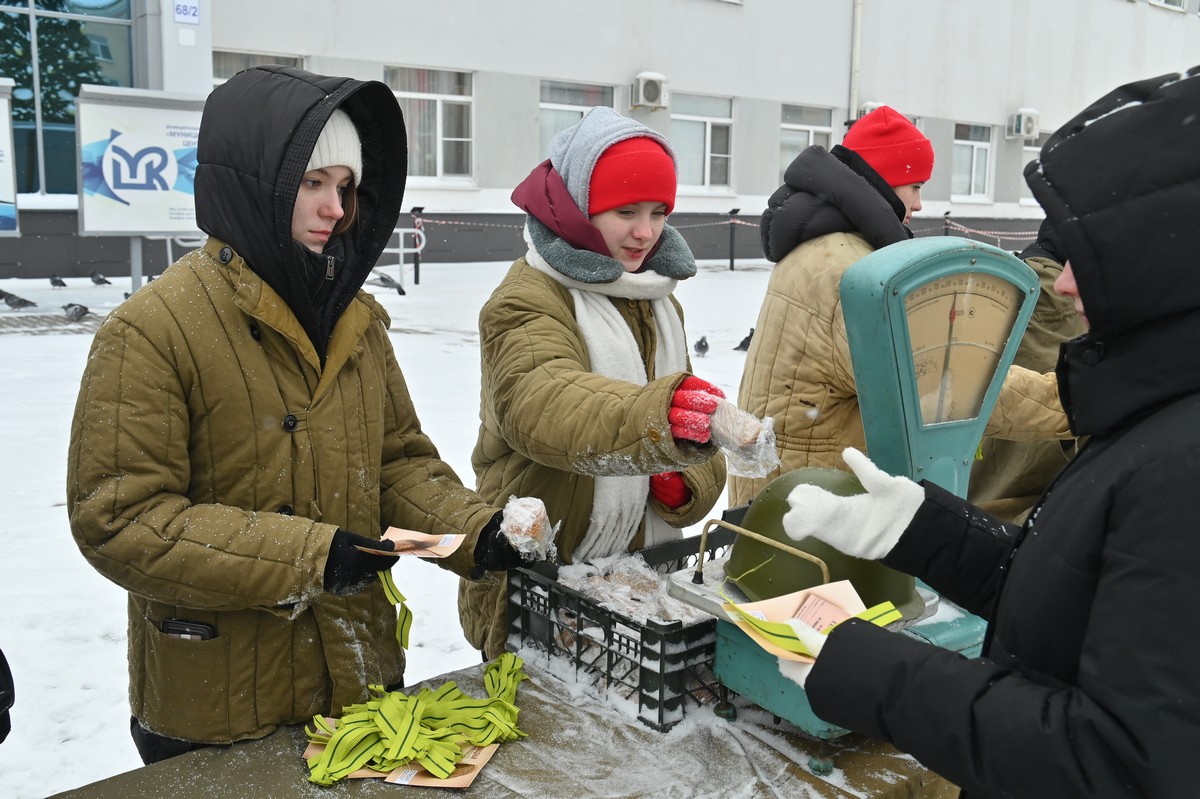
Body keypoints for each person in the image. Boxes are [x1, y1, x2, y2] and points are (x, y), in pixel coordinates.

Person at [66, 65, 545, 764]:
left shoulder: (357, 321)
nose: (336, 209)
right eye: (312, 183)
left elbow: (396, 462)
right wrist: (308, 555)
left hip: (356, 682)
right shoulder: (152, 330)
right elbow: (121, 519)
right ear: (254, 184)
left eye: (346, 187)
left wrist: (477, 532)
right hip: (220, 710)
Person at [780, 66, 1200, 798]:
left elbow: (1115, 763)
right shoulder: (1157, 414)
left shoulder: (1183, 461)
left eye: (1083, 255)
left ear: (1160, 259)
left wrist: (872, 672)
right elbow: (1075, 599)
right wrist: (922, 529)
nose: (1062, 283)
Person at [458, 107, 728, 659]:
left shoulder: (656, 300)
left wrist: (684, 477)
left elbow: (684, 422)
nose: (645, 232)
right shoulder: (528, 297)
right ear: (579, 210)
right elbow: (540, 402)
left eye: (658, 212)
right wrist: (657, 423)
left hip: (636, 584)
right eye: (625, 210)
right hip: (535, 584)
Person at [730, 105, 1069, 506]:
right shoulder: (848, 271)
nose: (921, 204)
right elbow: (948, 388)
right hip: (813, 513)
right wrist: (1070, 400)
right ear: (885, 182)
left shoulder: (822, 249)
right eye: (916, 186)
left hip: (789, 490)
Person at [966, 220, 1087, 522]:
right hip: (1008, 525)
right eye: (915, 187)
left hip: (977, 516)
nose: (918, 205)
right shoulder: (1060, 304)